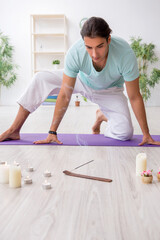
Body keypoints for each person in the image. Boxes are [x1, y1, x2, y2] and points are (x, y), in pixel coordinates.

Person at [0, 17, 160, 146]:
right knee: (40, 78)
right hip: (81, 80)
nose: (94, 54)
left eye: (100, 46)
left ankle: (102, 116)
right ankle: (14, 130)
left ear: (109, 39)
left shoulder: (125, 54)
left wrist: (146, 135)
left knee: (125, 133)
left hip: (109, 90)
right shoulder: (75, 52)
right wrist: (52, 132)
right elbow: (64, 94)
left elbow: (134, 96)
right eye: (89, 47)